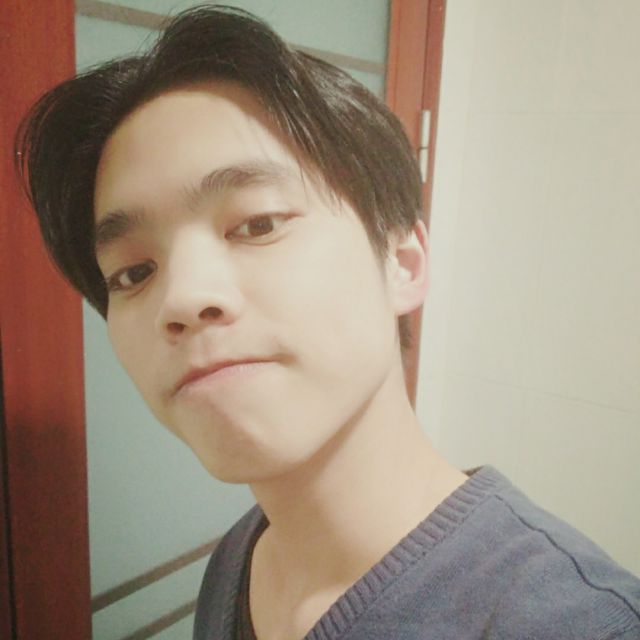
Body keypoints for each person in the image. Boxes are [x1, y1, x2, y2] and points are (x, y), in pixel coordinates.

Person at [15, 5, 639, 640]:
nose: (180, 298)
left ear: (401, 263)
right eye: (133, 272)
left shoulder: (582, 622)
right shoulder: (240, 557)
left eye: (257, 224)